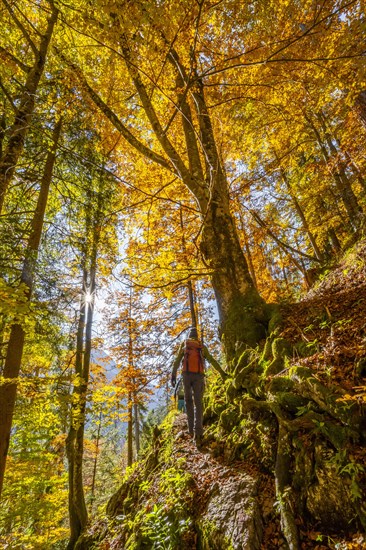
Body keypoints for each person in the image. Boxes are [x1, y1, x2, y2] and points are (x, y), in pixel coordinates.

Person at [171, 327, 221, 449]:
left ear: (189, 335)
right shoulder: (201, 347)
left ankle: (190, 429)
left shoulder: (185, 345)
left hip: (186, 376)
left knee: (188, 401)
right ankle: (198, 433)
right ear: (197, 336)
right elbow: (212, 360)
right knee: (198, 403)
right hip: (198, 376)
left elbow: (177, 361)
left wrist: (173, 375)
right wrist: (222, 373)